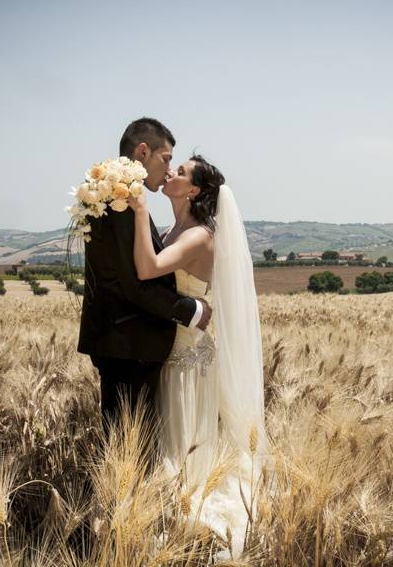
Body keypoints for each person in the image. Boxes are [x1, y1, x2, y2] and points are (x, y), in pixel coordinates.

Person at [127, 155, 266, 557]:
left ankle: (184, 526)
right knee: (172, 439)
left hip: (188, 357)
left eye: (182, 172)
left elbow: (149, 268)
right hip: (173, 350)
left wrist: (138, 207)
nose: (171, 172)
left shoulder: (200, 236)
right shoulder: (176, 228)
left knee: (183, 441)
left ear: (194, 191)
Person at [77, 118, 212, 436]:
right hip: (129, 343)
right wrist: (190, 310)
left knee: (127, 446)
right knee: (131, 447)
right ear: (143, 151)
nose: (168, 170)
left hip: (121, 341)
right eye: (166, 159)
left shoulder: (108, 194)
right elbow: (135, 282)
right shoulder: (123, 202)